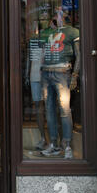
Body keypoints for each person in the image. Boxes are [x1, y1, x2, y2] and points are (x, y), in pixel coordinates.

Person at [40, 13, 80, 159]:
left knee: (64, 108)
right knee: (49, 109)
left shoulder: (73, 32)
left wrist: (75, 75)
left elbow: (79, 54)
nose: (56, 16)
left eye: (59, 13)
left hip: (62, 72)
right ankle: (54, 144)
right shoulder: (49, 33)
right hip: (47, 72)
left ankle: (67, 144)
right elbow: (43, 53)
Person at [24, 21, 47, 150]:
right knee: (38, 106)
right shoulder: (32, 42)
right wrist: (27, 75)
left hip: (46, 75)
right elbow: (29, 59)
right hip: (34, 75)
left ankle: (53, 139)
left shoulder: (47, 40)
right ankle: (43, 137)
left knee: (49, 106)